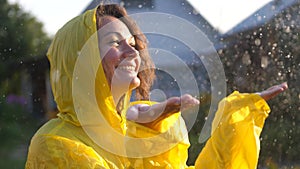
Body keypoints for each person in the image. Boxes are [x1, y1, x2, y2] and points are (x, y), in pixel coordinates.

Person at [25, 4, 288, 169]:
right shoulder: (56, 145)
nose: (132, 51)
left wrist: (237, 117)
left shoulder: (135, 134)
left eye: (132, 42)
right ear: (80, 59)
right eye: (115, 43)